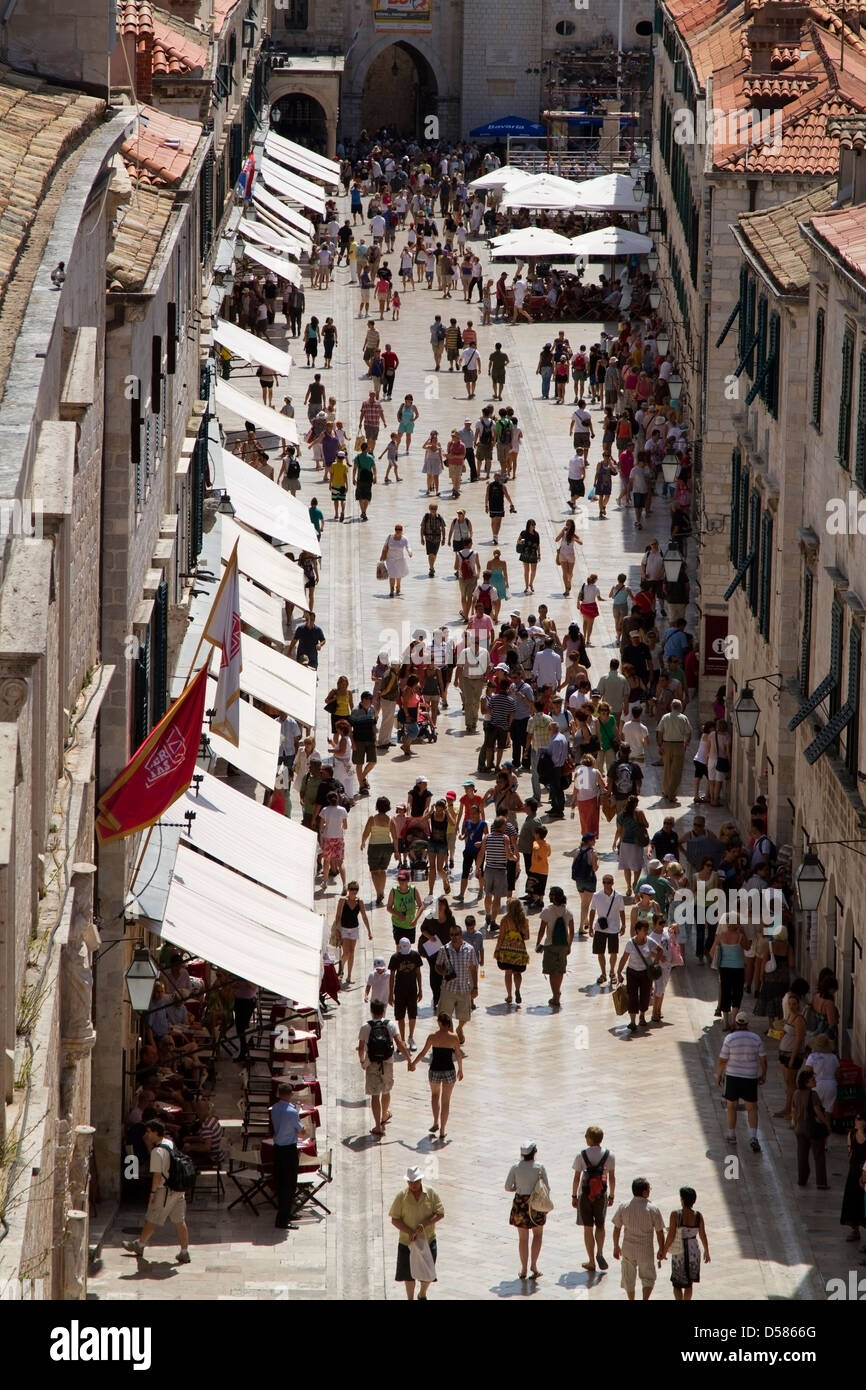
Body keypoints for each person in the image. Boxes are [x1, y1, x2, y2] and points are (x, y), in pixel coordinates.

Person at [122, 1119, 192, 1262]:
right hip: (178, 1190)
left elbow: (157, 1175)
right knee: (180, 1220)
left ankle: (139, 1245)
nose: (146, 1135)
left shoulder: (157, 1151)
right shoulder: (169, 1143)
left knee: (152, 1218)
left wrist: (152, 1193)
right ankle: (184, 1252)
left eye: (148, 1132)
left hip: (164, 1190)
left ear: (155, 1132)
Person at [389, 1166, 445, 1301]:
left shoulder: (431, 1193)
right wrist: (409, 1231)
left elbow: (440, 1213)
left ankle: (422, 1294)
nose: (413, 1185)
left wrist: (424, 1224)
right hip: (406, 1243)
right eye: (410, 1182)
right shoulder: (401, 1196)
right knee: (408, 1276)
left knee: (428, 1273)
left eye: (416, 1182)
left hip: (428, 1240)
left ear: (420, 1180)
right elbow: (394, 1219)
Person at [358, 999, 410, 1137]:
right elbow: (399, 1043)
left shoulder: (365, 1027)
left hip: (372, 1063)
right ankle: (384, 1116)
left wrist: (362, 1061)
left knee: (375, 1095)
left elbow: (361, 1047)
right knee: (386, 1091)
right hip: (387, 1062)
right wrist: (409, 1059)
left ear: (371, 1011)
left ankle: (377, 1126)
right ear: (383, 1011)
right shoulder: (391, 1025)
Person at [716, 1010, 767, 1151]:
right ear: (747, 1023)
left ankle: (731, 1135)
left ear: (736, 1023)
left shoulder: (730, 1039)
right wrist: (764, 1074)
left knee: (731, 1106)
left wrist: (718, 1075)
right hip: (750, 1077)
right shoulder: (756, 1038)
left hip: (733, 1076)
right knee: (752, 1108)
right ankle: (753, 1137)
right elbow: (763, 1059)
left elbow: (722, 1060)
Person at [409, 1011, 463, 1140]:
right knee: (446, 1101)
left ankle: (435, 1122)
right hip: (449, 1071)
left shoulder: (432, 1037)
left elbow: (423, 1053)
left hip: (435, 1070)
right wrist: (460, 1070)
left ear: (439, 1023)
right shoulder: (454, 1038)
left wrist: (413, 1064)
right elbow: (459, 1055)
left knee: (434, 1096)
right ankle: (443, 1131)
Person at [612, 1177, 666, 1300]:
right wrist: (661, 1249)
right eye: (649, 1189)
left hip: (628, 1249)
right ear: (644, 1192)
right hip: (645, 1251)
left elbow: (617, 1228)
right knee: (648, 1278)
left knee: (628, 1278)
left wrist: (616, 1246)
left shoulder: (623, 1207)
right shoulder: (653, 1209)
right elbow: (659, 1232)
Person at [572, 1125, 616, 1272]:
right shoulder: (609, 1155)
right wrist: (611, 1195)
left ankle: (591, 1261)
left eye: (586, 1136)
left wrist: (573, 1196)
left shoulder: (581, 1155)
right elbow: (612, 1178)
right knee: (601, 1225)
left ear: (590, 1139)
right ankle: (600, 1252)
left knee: (588, 1227)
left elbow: (577, 1178)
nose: (585, 1138)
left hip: (585, 1194)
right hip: (601, 1194)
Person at [505, 1140, 550, 1280]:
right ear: (534, 1152)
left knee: (523, 1239)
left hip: (520, 1204)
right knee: (538, 1235)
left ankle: (523, 1269)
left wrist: (517, 1189)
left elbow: (508, 1186)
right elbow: (547, 1187)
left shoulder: (515, 1167)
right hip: (536, 1204)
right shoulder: (540, 1167)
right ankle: (534, 1266)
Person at [662, 1187, 710, 1300]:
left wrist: (664, 1251)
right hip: (693, 1250)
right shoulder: (698, 1215)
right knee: (689, 1283)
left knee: (676, 1283)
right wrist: (707, 1251)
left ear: (682, 1199)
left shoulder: (675, 1215)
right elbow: (703, 1235)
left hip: (680, 1251)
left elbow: (671, 1235)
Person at [435, 922, 478, 1047]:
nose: (454, 937)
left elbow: (473, 968)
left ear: (461, 935)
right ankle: (452, 1038)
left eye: (457, 934)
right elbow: (437, 965)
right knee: (444, 1015)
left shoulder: (469, 949)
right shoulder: (444, 950)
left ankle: (459, 1028)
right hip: (449, 988)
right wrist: (443, 971)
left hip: (464, 987)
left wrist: (475, 987)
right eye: (452, 935)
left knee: (465, 1015)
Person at [615, 919, 659, 1032]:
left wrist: (655, 963)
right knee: (632, 996)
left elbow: (660, 950)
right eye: (644, 930)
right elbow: (624, 958)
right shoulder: (630, 943)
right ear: (638, 930)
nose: (646, 932)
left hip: (645, 973)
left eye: (647, 930)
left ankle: (642, 1016)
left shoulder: (649, 941)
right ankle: (632, 1022)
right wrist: (619, 971)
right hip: (632, 973)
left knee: (645, 996)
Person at [535, 886, 575, 1009]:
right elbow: (572, 931)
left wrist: (538, 943)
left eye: (551, 894)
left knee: (552, 971)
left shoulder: (547, 911)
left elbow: (542, 929)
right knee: (560, 970)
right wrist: (569, 945)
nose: (550, 896)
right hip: (563, 945)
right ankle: (557, 993)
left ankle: (555, 995)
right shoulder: (568, 912)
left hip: (550, 945)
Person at [791, 1066, 830, 1189]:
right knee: (818, 1155)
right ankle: (821, 1182)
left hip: (799, 1128)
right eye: (812, 1079)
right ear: (806, 1082)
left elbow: (793, 1110)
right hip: (812, 1128)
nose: (815, 1081)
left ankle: (802, 1179)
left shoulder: (796, 1093)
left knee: (802, 1155)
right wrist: (827, 1124)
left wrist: (795, 1123)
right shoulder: (813, 1095)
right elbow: (817, 1110)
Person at [709, 914, 749, 1030]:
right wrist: (744, 932)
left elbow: (711, 952)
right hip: (738, 968)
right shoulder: (740, 936)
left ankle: (725, 1022)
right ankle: (733, 1021)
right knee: (737, 993)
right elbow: (747, 947)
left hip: (724, 968)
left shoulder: (721, 936)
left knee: (725, 993)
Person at [774, 991, 807, 1120]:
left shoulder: (799, 1020)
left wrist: (793, 1058)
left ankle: (792, 1110)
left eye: (794, 1004)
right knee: (788, 1083)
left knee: (791, 1084)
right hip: (784, 1053)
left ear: (798, 1005)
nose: (792, 1006)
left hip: (792, 1055)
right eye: (790, 1004)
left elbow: (799, 1040)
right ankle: (788, 1108)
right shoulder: (789, 1017)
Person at [589, 873, 626, 984]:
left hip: (614, 928)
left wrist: (623, 925)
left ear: (612, 883)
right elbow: (592, 911)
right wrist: (590, 927)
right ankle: (603, 973)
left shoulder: (618, 896)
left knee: (613, 952)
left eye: (609, 882)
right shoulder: (596, 895)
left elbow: (622, 911)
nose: (606, 884)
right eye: (604, 882)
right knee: (600, 952)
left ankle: (612, 972)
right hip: (600, 928)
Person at [361, 796, 399, 905]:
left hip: (374, 847)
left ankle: (378, 893)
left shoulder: (372, 819)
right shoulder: (391, 820)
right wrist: (396, 851)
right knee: (382, 871)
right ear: (388, 807)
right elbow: (395, 837)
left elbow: (366, 833)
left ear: (377, 806)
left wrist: (363, 842)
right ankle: (382, 891)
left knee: (374, 871)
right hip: (387, 847)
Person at [333, 882, 372, 987]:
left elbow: (364, 916)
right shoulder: (342, 901)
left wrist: (369, 931)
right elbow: (337, 916)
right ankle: (341, 965)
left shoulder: (359, 902)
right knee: (346, 952)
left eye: (356, 889)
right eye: (352, 889)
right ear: (348, 890)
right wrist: (337, 930)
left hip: (354, 929)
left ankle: (349, 976)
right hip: (344, 929)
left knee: (352, 952)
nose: (354, 891)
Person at [388, 936, 424, 1052]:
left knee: (413, 1015)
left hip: (412, 990)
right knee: (400, 1016)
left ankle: (411, 1037)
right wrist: (390, 994)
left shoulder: (415, 955)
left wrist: (421, 990)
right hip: (399, 990)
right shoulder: (395, 958)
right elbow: (392, 976)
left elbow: (418, 973)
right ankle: (402, 1040)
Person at [494, 898, 531, 1006]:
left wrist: (497, 949)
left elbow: (501, 937)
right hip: (519, 949)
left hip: (507, 949)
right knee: (517, 972)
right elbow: (527, 937)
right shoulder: (524, 920)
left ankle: (509, 995)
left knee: (508, 972)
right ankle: (518, 990)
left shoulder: (505, 920)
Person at [657, 699, 692, 802]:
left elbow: (660, 732)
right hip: (679, 745)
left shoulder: (665, 717)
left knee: (667, 769)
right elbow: (689, 732)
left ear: (671, 707)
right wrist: (687, 742)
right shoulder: (683, 718)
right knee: (676, 771)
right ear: (680, 707)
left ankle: (666, 791)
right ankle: (671, 793)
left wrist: (660, 745)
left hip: (666, 744)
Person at [840, 1114, 866, 1243]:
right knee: (852, 1200)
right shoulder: (851, 1135)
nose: (857, 1122)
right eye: (856, 1119)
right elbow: (850, 1152)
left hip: (865, 1171)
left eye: (860, 1120)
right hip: (854, 1171)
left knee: (863, 1203)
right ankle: (854, 1230)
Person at [387, 867, 423, 946]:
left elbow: (421, 906)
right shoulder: (394, 891)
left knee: (408, 946)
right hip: (398, 924)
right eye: (399, 879)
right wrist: (398, 915)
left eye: (403, 880)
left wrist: (415, 919)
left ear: (407, 880)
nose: (401, 882)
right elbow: (388, 907)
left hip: (410, 924)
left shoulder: (413, 890)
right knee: (399, 945)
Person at [380, 522, 412, 597]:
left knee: (398, 575)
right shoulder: (390, 537)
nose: (398, 531)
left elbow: (408, 546)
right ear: (395, 530)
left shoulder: (404, 539)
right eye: (396, 529)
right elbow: (385, 546)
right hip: (390, 560)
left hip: (400, 560)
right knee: (392, 575)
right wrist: (382, 556)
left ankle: (398, 586)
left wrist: (410, 552)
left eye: (399, 529)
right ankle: (391, 590)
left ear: (402, 530)